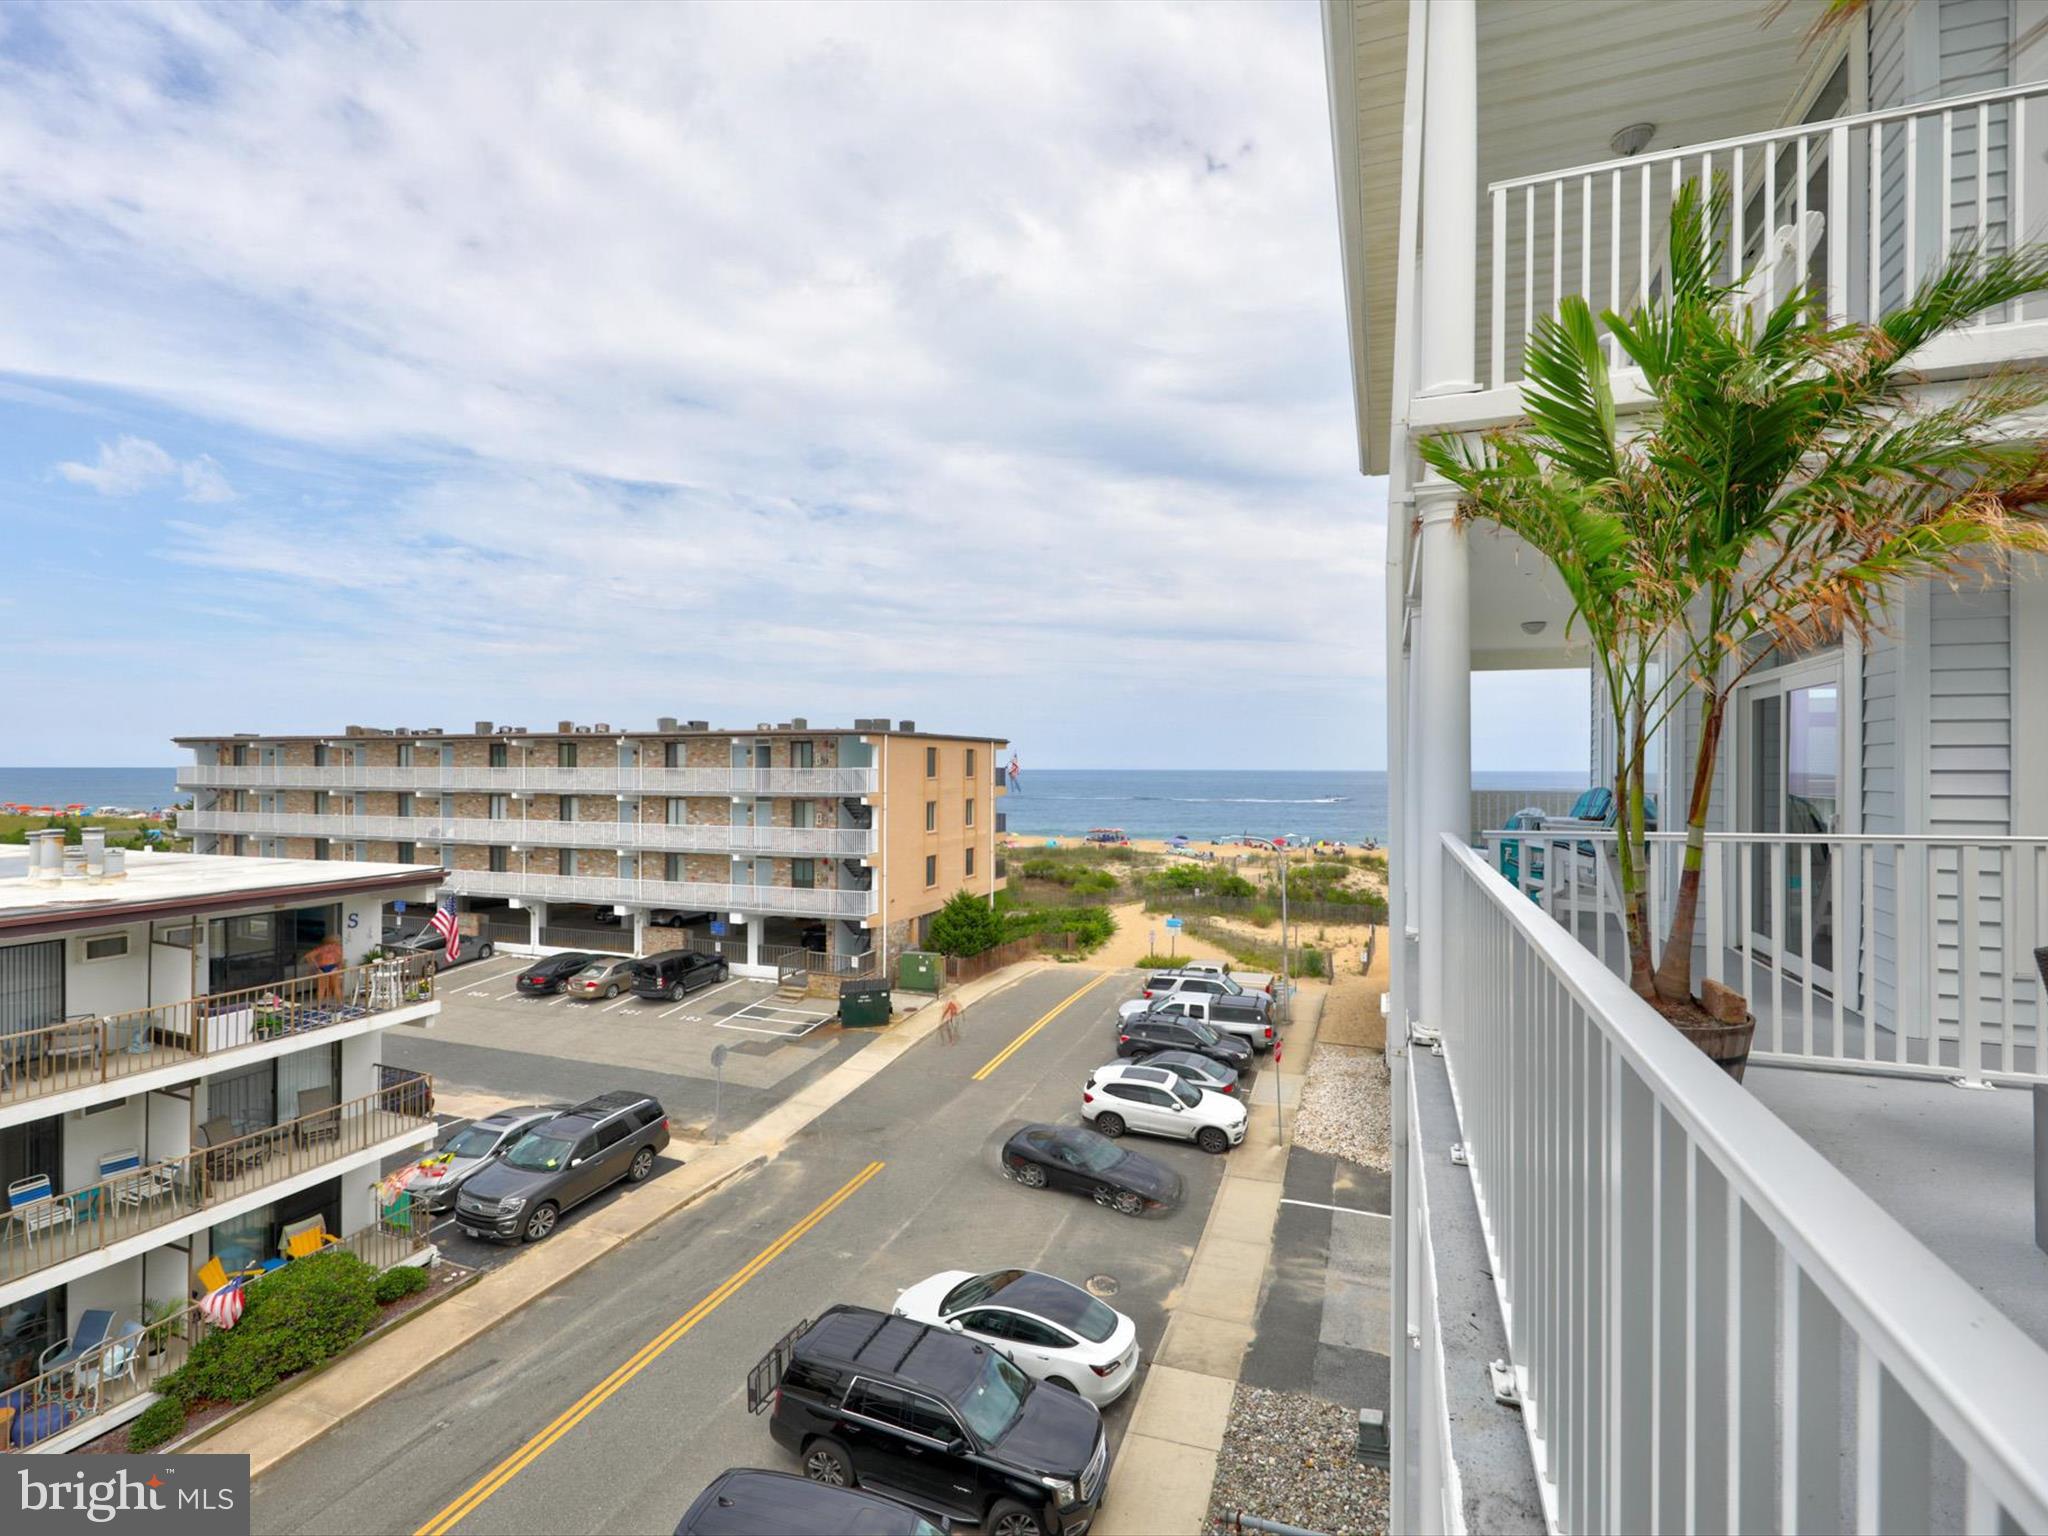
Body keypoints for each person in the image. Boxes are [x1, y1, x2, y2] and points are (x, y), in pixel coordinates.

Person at [305, 936, 345, 1003]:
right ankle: (340, 1004)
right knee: (335, 987)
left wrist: (316, 966)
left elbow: (308, 957)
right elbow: (340, 960)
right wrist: (338, 968)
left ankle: (319, 1006)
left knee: (322, 988)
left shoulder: (322, 949)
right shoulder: (337, 948)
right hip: (332, 967)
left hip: (324, 968)